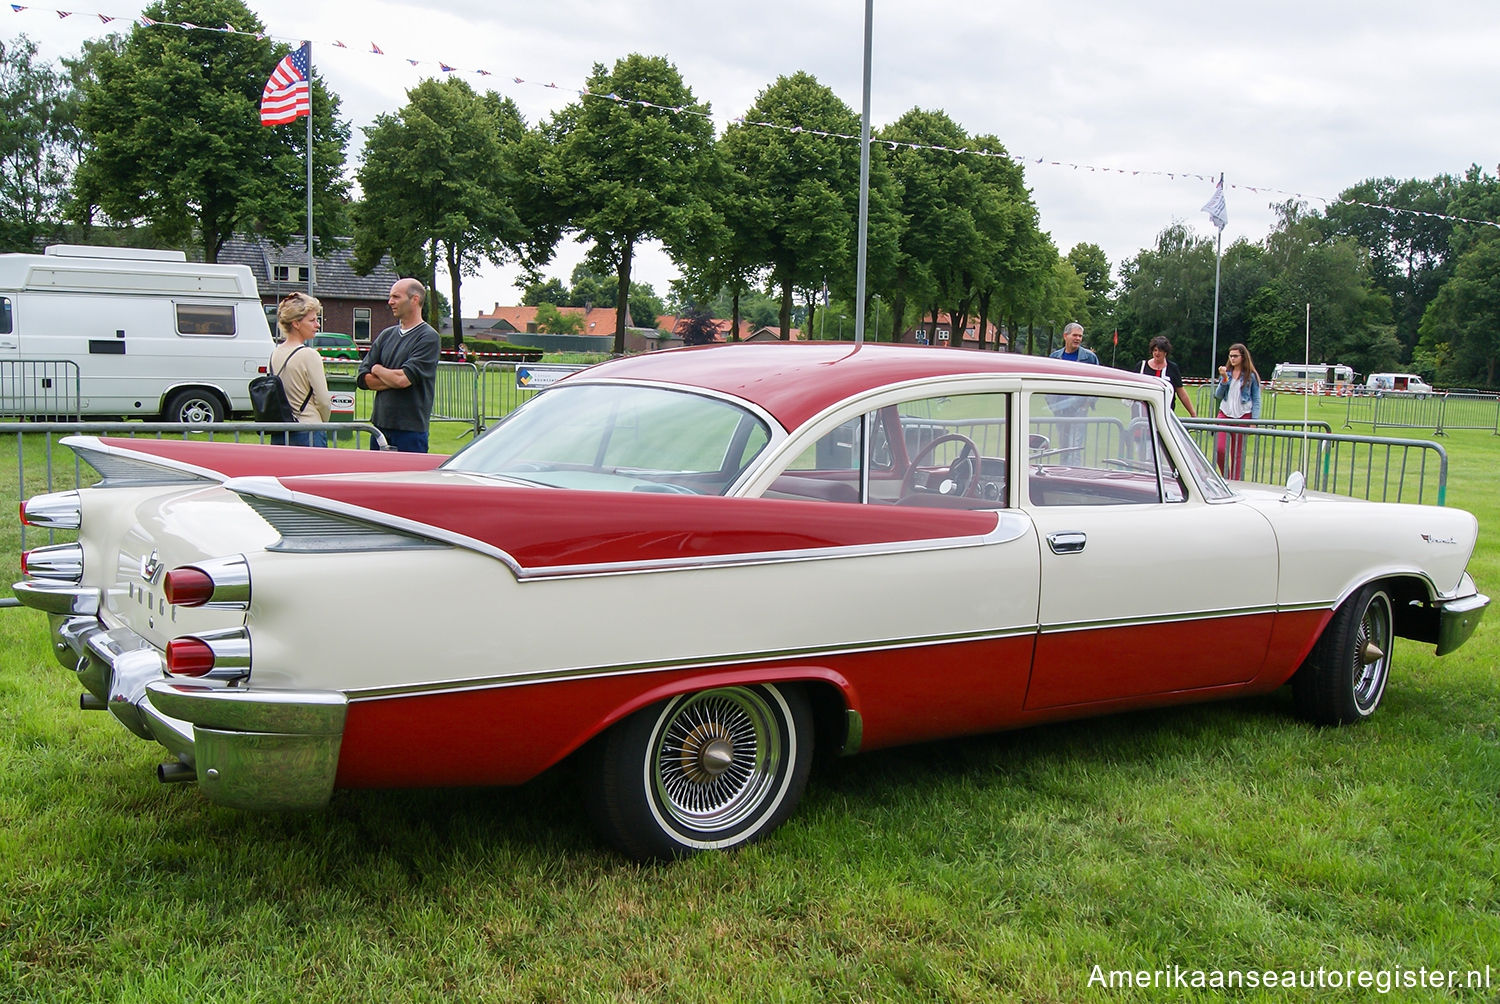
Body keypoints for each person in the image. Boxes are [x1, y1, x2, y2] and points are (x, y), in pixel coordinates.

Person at [357, 278, 442, 453]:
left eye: (396, 297)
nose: (390, 302)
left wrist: (377, 369)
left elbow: (403, 379)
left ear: (415, 299)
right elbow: (362, 379)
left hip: (410, 430)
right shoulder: (386, 335)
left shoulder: (428, 337)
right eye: (390, 297)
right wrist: (393, 379)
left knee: (408, 479)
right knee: (376, 479)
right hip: (379, 427)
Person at [269, 292, 332, 447]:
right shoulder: (309, 355)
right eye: (312, 320)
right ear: (296, 323)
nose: (317, 325)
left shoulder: (275, 353)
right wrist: (323, 421)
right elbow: (324, 401)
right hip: (309, 429)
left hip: (281, 430)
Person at [1047, 322, 1100, 456]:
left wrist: (1087, 404)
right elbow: (1047, 383)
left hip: (1079, 409)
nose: (1078, 339)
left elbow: (1098, 383)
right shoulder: (1054, 358)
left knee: (1075, 447)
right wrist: (1052, 404)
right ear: (1065, 336)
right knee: (1063, 447)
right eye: (1074, 335)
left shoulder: (1090, 358)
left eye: (1080, 336)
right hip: (1060, 409)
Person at [1213, 342, 1261, 480]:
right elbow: (1218, 395)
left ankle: (1236, 481)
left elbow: (1257, 399)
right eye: (1231, 356)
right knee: (1220, 449)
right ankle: (1226, 477)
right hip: (1225, 413)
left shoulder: (1250, 376)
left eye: (1236, 356)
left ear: (1243, 357)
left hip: (1243, 415)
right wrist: (1224, 379)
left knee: (1237, 454)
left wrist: (1254, 421)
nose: (1232, 359)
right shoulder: (1226, 373)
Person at [1140, 335, 1197, 416]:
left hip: (1165, 414)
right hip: (1142, 412)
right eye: (1155, 350)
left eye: (1160, 350)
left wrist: (1193, 413)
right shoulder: (1141, 366)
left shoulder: (1172, 368)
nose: (1157, 353)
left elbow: (1181, 392)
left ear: (1165, 352)